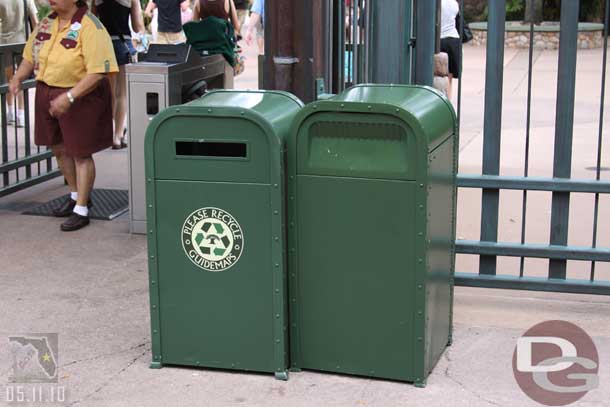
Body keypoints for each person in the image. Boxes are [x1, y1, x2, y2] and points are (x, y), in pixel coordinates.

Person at [9, 0, 119, 231]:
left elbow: (98, 71)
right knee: (58, 148)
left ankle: (82, 209)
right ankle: (76, 195)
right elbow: (30, 56)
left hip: (79, 95)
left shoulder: (91, 26)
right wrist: (18, 77)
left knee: (80, 153)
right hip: (47, 89)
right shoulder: (47, 23)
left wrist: (69, 97)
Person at [92, 0, 145, 149]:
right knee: (121, 93)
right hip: (122, 44)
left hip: (103, 44)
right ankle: (118, 135)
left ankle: (109, 132)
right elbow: (137, 26)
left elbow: (92, 21)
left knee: (110, 92)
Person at [0, 0, 38, 127]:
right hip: (23, 43)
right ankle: (21, 115)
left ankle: (10, 112)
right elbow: (35, 22)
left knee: (9, 78)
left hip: (5, 43)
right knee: (21, 79)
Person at [440, 0, 461, 100]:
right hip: (453, 40)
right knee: (449, 76)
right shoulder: (454, 4)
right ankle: (448, 100)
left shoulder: (437, 3)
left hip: (438, 39)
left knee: (437, 74)